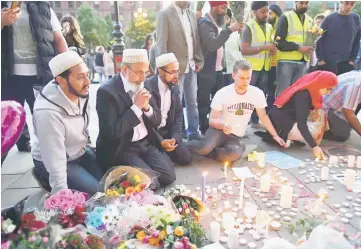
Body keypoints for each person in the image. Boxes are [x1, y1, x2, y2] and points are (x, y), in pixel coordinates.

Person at [96, 49, 176, 187]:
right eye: (139, 72)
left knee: (169, 177)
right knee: (152, 184)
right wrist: (136, 107)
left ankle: (134, 174)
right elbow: (111, 133)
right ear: (125, 69)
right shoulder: (107, 92)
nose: (143, 77)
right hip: (123, 148)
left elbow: (157, 120)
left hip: (145, 143)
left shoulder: (143, 85)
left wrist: (146, 108)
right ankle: (119, 175)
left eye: (145, 72)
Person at [31, 51, 103, 195]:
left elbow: (83, 126)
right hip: (56, 161)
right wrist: (61, 193)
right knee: (97, 195)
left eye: (87, 75)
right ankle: (43, 176)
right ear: (61, 81)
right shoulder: (47, 113)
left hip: (80, 152)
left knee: (112, 184)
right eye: (81, 77)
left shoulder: (80, 92)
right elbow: (55, 159)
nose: (88, 82)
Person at [187, 59, 286, 163]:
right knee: (204, 148)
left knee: (232, 156)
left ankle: (219, 150)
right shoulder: (222, 93)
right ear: (233, 76)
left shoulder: (257, 93)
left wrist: (275, 135)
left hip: (235, 136)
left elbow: (263, 116)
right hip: (218, 130)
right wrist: (222, 125)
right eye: (242, 78)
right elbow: (212, 120)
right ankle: (181, 146)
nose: (246, 82)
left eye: (248, 78)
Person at [1, 1, 68, 153]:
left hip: (40, 76)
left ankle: (50, 164)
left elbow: (58, 39)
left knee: (46, 124)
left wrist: (68, 70)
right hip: (8, 77)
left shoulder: (42, 5)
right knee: (4, 126)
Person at [156, 1, 204, 140]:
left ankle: (194, 134)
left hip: (192, 66)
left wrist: (199, 59)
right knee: (175, 103)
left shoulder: (190, 14)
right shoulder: (164, 14)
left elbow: (196, 41)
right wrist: (165, 69)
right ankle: (177, 135)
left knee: (192, 102)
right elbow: (161, 45)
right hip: (174, 70)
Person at [267, 71, 338, 159]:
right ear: (320, 83)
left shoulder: (312, 89)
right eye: (328, 89)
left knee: (321, 115)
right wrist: (314, 146)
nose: (329, 92)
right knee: (315, 129)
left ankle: (293, 136)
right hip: (281, 125)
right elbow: (302, 123)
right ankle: (288, 135)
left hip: (288, 118)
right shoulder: (303, 94)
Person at [198, 1, 243, 135]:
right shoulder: (205, 23)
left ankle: (218, 128)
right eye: (223, 8)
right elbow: (212, 44)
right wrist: (229, 30)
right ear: (215, 7)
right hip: (206, 71)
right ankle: (204, 131)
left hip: (219, 70)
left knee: (220, 102)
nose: (225, 11)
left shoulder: (218, 24)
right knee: (204, 103)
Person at [145, 53, 193, 165]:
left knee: (186, 158)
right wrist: (161, 141)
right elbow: (146, 122)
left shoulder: (173, 86)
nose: (176, 75)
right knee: (164, 164)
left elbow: (178, 114)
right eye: (172, 72)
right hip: (151, 134)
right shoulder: (147, 87)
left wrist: (175, 137)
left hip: (166, 131)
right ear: (160, 71)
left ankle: (164, 153)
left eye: (177, 71)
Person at [241, 1, 274, 128]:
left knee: (260, 94)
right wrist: (265, 47)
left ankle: (255, 119)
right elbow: (244, 50)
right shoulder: (249, 27)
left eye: (267, 11)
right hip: (252, 68)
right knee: (247, 95)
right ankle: (244, 119)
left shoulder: (269, 27)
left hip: (265, 66)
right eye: (263, 11)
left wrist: (272, 49)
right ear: (254, 12)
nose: (266, 14)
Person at [275, 1, 313, 96]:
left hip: (303, 62)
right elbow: (279, 42)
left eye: (306, 3)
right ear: (295, 2)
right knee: (283, 93)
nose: (304, 5)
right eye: (301, 3)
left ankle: (292, 111)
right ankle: (279, 111)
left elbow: (309, 40)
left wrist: (311, 47)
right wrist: (298, 48)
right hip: (286, 62)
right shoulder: (285, 18)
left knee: (297, 94)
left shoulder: (310, 20)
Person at [316, 1, 360, 75]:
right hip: (328, 62)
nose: (349, 6)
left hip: (346, 63)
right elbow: (319, 40)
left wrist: (352, 60)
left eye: (352, 4)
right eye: (346, 3)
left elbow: (357, 40)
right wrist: (320, 59)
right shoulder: (328, 19)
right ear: (340, 2)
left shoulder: (355, 18)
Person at [323, 70, 361, 142]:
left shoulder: (358, 74)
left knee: (349, 125)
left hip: (336, 107)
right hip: (326, 109)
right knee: (343, 134)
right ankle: (318, 130)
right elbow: (348, 113)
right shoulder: (356, 85)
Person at [267, 4, 283, 111]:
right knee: (268, 90)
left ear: (277, 15)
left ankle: (272, 112)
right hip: (266, 64)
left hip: (277, 64)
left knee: (273, 91)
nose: (268, 16)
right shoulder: (268, 27)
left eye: (270, 13)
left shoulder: (280, 28)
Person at [224, 8, 242, 86]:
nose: (224, 21)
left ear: (230, 19)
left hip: (232, 70)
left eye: (226, 18)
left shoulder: (235, 34)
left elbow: (241, 48)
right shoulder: (214, 33)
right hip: (219, 71)